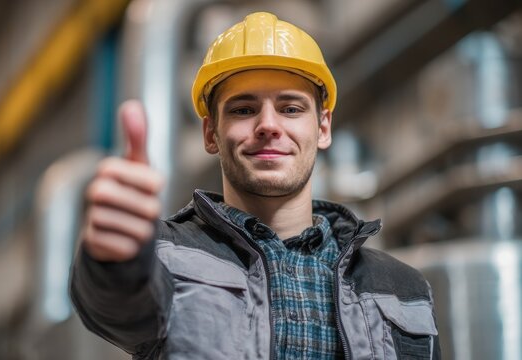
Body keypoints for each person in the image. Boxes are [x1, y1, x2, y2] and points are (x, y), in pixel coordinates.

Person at [70, 12, 441, 360]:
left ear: (323, 127)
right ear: (210, 133)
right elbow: (114, 303)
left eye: (291, 108)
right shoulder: (164, 254)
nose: (268, 125)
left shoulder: (403, 288)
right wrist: (113, 260)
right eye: (243, 110)